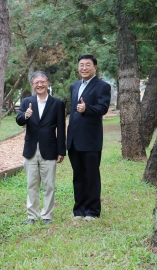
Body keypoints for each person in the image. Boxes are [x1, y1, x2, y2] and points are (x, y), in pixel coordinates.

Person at [16, 71, 66, 224]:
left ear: (47, 83)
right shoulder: (26, 102)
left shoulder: (57, 103)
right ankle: (32, 215)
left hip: (49, 149)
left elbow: (61, 128)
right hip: (30, 149)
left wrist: (61, 150)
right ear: (32, 85)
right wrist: (26, 115)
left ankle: (47, 215)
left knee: (49, 184)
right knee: (32, 184)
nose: (40, 84)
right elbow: (19, 120)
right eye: (36, 82)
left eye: (42, 81)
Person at [67, 54, 111, 222]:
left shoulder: (102, 86)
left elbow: (103, 108)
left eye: (87, 65)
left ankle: (93, 210)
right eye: (81, 65)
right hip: (73, 140)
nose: (84, 68)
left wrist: (87, 109)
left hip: (91, 140)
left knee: (91, 176)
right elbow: (72, 113)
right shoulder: (74, 86)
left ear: (95, 67)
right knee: (78, 176)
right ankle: (79, 209)